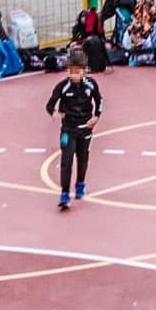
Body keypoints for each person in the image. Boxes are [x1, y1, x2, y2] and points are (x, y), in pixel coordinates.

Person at [47, 52, 104, 209]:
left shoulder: (91, 85)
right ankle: (64, 194)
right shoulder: (63, 87)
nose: (74, 75)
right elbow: (49, 104)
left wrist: (96, 117)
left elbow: (100, 101)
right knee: (66, 160)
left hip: (85, 129)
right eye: (71, 71)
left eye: (78, 71)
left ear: (84, 71)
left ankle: (80, 185)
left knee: (83, 158)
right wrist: (54, 113)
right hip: (68, 130)